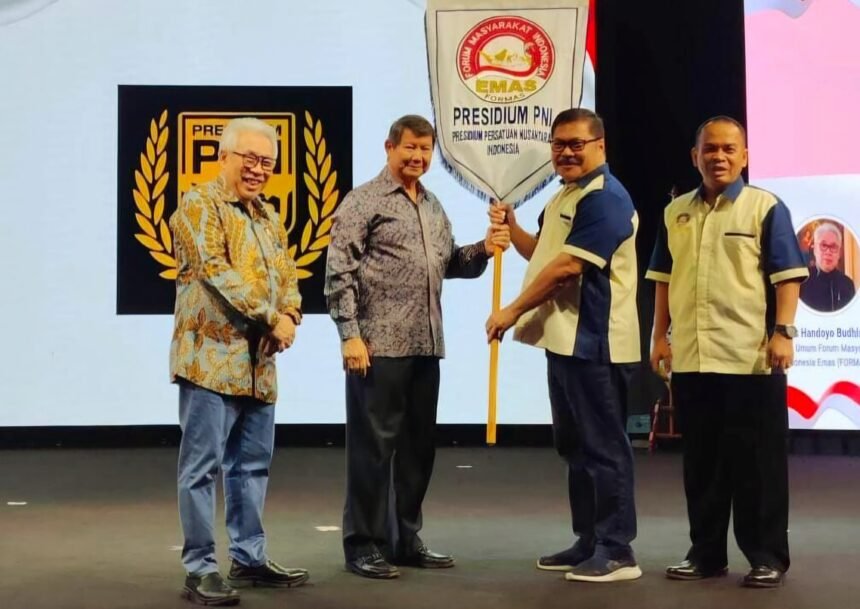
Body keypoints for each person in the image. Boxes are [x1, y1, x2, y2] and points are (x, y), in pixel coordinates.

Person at [324, 114, 511, 579]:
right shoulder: (362, 202)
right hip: (378, 345)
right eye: (410, 148)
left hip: (427, 344)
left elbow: (451, 264)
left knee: (417, 451)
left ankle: (405, 538)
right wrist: (350, 334)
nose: (418, 157)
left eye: (426, 150)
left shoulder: (431, 204)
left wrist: (486, 248)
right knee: (372, 451)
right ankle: (363, 544)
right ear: (389, 146)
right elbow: (337, 273)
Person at [647, 116, 808, 588]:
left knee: (757, 464)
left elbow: (788, 276)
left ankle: (767, 556)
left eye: (728, 149)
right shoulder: (675, 211)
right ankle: (706, 554)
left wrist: (783, 332)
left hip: (750, 357)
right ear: (694, 156)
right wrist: (660, 337)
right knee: (703, 463)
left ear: (744, 156)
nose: (718, 156)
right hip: (694, 357)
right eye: (709, 149)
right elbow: (661, 279)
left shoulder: (764, 207)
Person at [485, 108, 642, 583]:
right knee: (575, 447)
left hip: (596, 343)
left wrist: (511, 310)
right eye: (559, 144)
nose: (567, 152)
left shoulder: (606, 199)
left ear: (600, 145)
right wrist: (512, 228)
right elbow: (543, 254)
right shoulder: (565, 197)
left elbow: (568, 268)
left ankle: (618, 550)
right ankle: (589, 540)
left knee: (604, 447)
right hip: (565, 343)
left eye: (577, 143)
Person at [170, 117, 309, 605]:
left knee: (252, 466)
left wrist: (290, 312)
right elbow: (214, 270)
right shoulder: (198, 203)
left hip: (259, 366)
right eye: (248, 158)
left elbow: (288, 273)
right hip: (210, 363)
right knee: (201, 468)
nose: (257, 169)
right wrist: (273, 316)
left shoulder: (269, 216)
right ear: (223, 156)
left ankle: (249, 559)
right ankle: (200, 569)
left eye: (266, 162)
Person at [800, 222, 855, 312]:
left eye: (833, 246)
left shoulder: (847, 284)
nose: (828, 252)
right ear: (814, 249)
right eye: (823, 245)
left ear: (839, 253)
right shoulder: (802, 281)